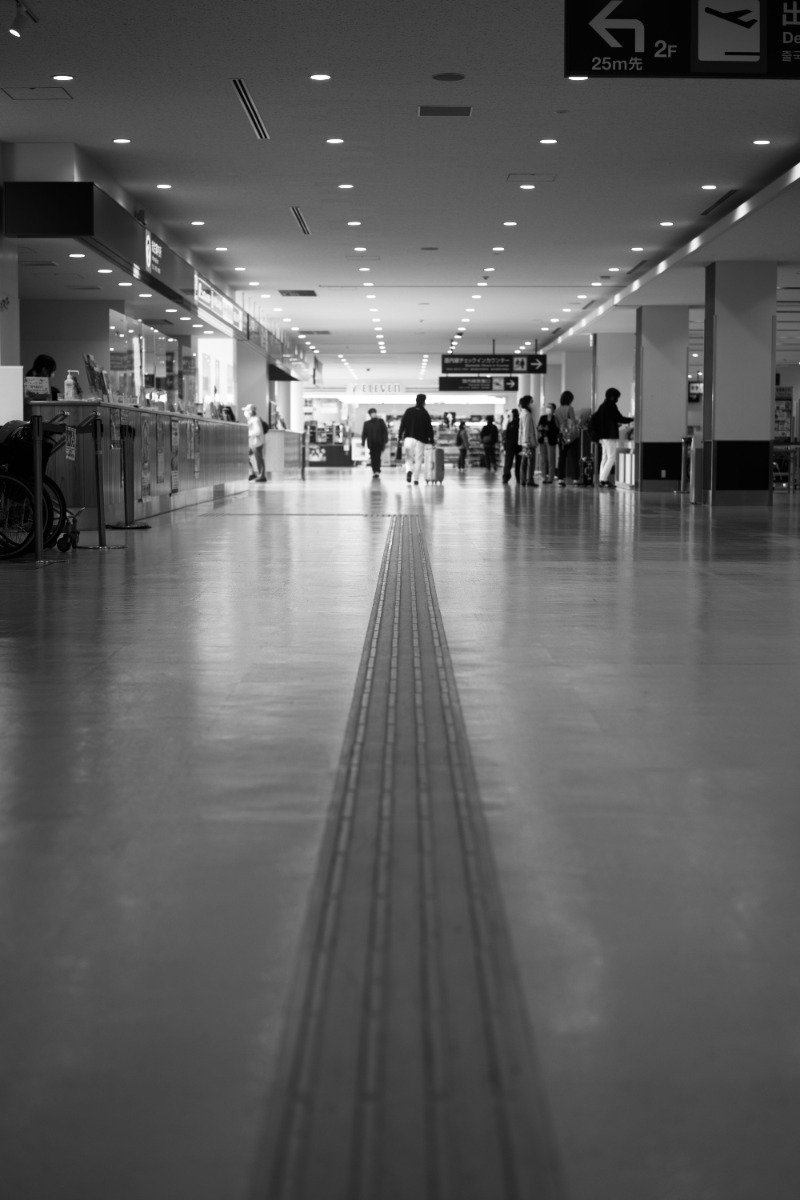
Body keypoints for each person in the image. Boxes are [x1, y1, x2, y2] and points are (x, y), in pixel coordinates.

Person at [592, 387, 634, 488]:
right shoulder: (611, 405)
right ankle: (603, 479)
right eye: (617, 397)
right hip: (609, 436)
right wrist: (632, 419)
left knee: (605, 457)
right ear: (612, 396)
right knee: (612, 457)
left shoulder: (602, 406)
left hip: (602, 436)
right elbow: (619, 418)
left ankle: (602, 479)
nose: (617, 400)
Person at [398, 393, 434, 484]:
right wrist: (431, 439)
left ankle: (409, 470)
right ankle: (416, 479)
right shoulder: (425, 413)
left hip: (409, 438)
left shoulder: (409, 411)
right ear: (424, 402)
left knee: (409, 457)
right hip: (421, 439)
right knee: (418, 459)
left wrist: (399, 436)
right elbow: (429, 427)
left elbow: (403, 424)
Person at [554, 390, 580, 487]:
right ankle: (575, 480)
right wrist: (578, 421)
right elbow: (573, 422)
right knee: (574, 457)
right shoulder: (570, 408)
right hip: (572, 436)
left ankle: (560, 479)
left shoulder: (557, 410)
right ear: (569, 399)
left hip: (562, 436)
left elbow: (557, 424)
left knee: (562, 457)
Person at [361, 407, 389, 478]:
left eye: (374, 413)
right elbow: (364, 433)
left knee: (377, 457)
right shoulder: (367, 424)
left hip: (379, 443)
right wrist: (363, 442)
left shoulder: (380, 421)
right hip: (371, 444)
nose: (374, 414)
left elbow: (385, 431)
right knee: (373, 457)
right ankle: (375, 470)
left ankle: (377, 470)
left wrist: (385, 440)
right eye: (372, 413)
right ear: (370, 415)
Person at [536, 402, 559, 483]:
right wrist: (540, 428)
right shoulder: (543, 417)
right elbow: (538, 427)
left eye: (550, 407)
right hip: (542, 440)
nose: (548, 409)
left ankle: (551, 477)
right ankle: (543, 477)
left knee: (551, 459)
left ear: (553, 410)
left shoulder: (555, 418)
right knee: (543, 459)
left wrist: (548, 429)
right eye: (547, 407)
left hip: (551, 440)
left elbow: (557, 430)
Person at [517, 395, 538, 487]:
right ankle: (530, 480)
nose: (532, 404)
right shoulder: (527, 415)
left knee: (524, 461)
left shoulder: (522, 413)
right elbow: (526, 429)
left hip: (524, 441)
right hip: (528, 442)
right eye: (531, 402)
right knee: (530, 462)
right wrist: (526, 442)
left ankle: (523, 480)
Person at [243, 404, 266, 482]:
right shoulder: (251, 420)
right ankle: (251, 473)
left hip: (257, 443)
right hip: (252, 443)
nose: (245, 413)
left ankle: (261, 475)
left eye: (246, 411)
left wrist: (248, 432)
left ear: (250, 411)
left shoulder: (255, 420)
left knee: (259, 459)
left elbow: (258, 431)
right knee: (244, 455)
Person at [502, 408, 520, 484]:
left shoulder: (509, 423)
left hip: (510, 445)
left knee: (508, 462)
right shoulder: (520, 422)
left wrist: (505, 445)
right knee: (519, 462)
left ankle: (506, 477)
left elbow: (505, 434)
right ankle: (518, 477)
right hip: (519, 445)